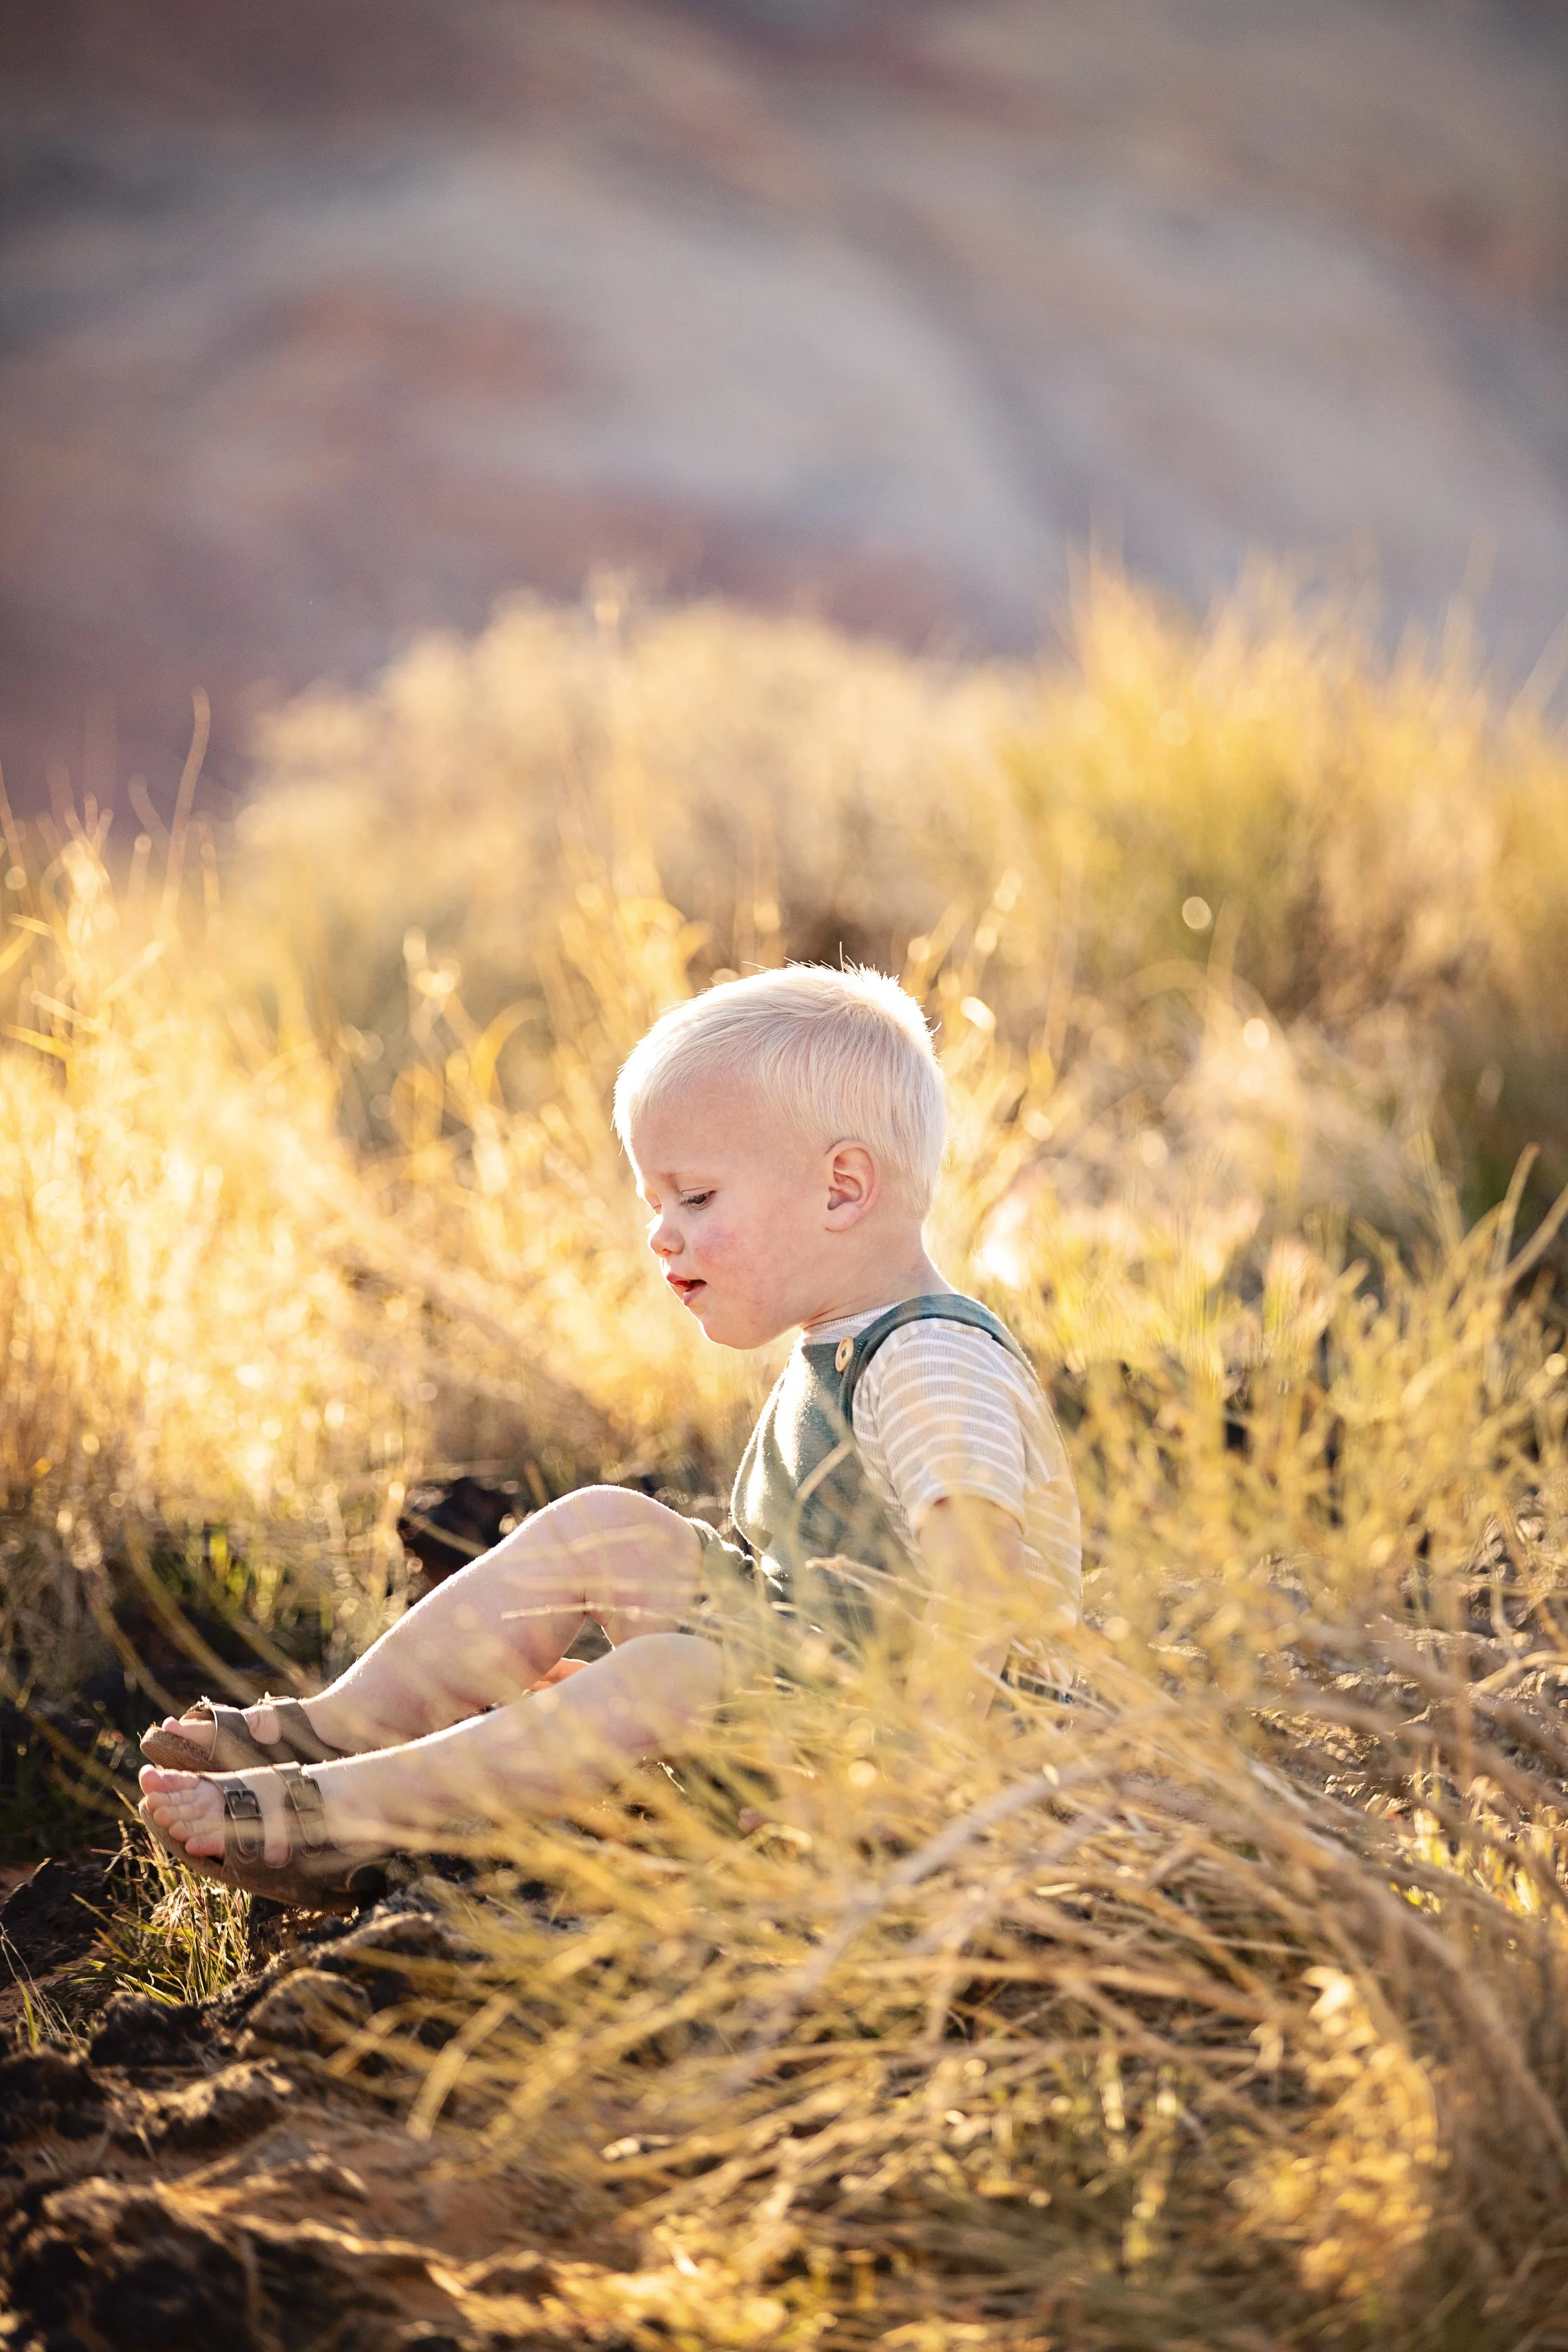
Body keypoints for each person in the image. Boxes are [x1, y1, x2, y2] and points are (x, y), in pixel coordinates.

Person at [138, 966, 1081, 1904]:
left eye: (696, 1197)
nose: (661, 1235)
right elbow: (813, 1602)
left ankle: (348, 1816)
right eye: (654, 1205)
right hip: (824, 1702)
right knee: (603, 1527)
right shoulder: (841, 1346)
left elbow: (981, 1588)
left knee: (674, 1671)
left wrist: (901, 1791)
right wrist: (618, 1687)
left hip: (947, 1774)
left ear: (841, 1189)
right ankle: (338, 1730)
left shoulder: (928, 1361)